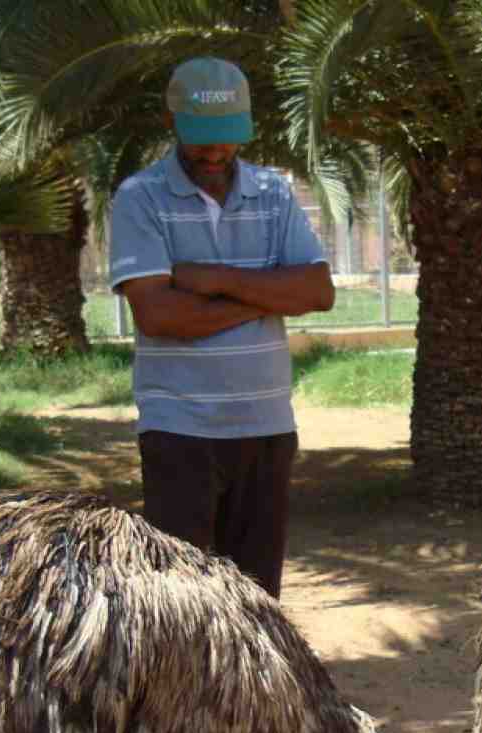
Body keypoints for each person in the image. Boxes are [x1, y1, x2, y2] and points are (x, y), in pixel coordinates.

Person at [107, 56, 334, 600]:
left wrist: (213, 279)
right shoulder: (139, 198)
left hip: (266, 426)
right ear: (172, 122)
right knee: (180, 602)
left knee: (258, 601)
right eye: (202, 140)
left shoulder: (273, 193)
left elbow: (318, 292)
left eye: (226, 139)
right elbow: (160, 316)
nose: (214, 153)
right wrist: (264, 295)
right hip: (179, 429)